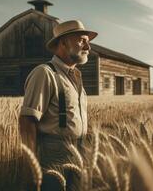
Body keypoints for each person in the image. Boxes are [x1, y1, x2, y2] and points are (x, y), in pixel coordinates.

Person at [18, 20, 98, 190]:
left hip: (78, 155)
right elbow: (27, 121)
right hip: (54, 158)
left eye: (88, 42)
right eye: (82, 40)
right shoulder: (45, 73)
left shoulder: (75, 77)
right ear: (63, 42)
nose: (88, 47)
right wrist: (31, 170)